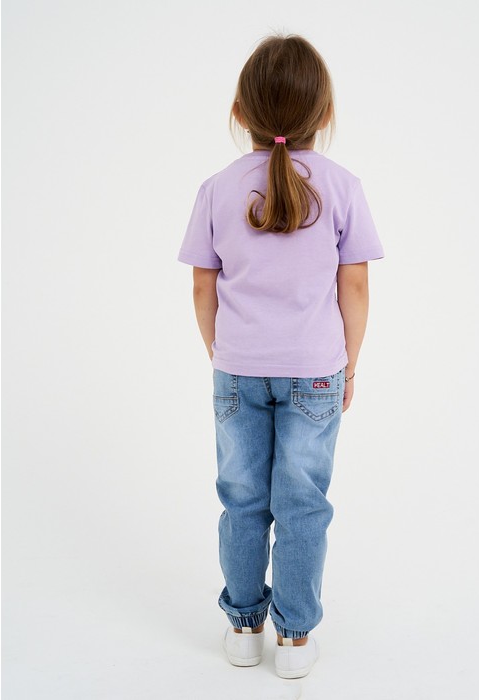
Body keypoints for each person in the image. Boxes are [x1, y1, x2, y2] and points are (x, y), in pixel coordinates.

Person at [177, 32, 385, 679]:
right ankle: (294, 641)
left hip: (237, 369)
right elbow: (355, 286)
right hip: (314, 372)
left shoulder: (217, 189)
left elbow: (202, 285)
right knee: (302, 504)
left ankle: (244, 628)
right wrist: (348, 364)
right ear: (325, 113)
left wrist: (221, 351)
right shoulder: (343, 186)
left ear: (240, 112)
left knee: (242, 499)